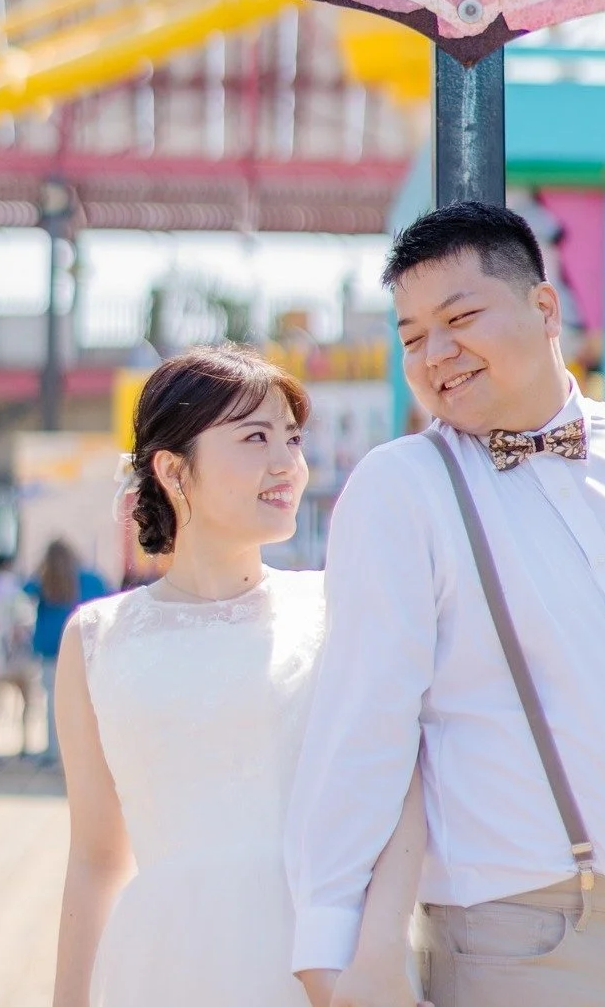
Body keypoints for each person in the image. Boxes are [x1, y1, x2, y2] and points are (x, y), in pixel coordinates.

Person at [288, 202, 605, 1007]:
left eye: (459, 318)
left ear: (544, 307)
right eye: (413, 337)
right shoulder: (404, 488)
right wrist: (330, 948)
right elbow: (360, 731)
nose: (435, 354)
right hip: (515, 949)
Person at [51, 344, 425, 1007]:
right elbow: (95, 861)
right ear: (173, 469)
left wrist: (382, 952)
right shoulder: (97, 639)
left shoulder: (339, 608)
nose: (286, 464)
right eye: (254, 437)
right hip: (159, 963)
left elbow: (402, 795)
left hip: (318, 957)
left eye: (291, 438)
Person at [30, 539, 107, 767]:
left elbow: (23, 592)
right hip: (85, 648)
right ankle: (84, 753)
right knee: (87, 705)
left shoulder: (43, 581)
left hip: (50, 650)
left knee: (54, 706)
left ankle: (54, 752)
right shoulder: (89, 578)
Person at [0, 551, 41, 759]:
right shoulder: (14, 588)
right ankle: (24, 745)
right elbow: (25, 617)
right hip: (18, 654)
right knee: (26, 701)